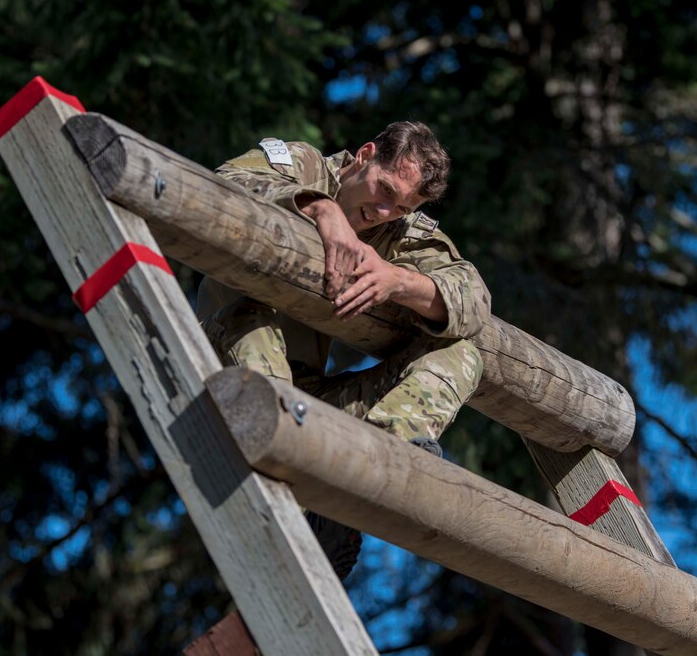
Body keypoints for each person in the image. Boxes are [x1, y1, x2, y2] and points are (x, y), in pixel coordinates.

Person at [197, 121, 491, 580]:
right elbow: (220, 185)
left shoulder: (399, 233)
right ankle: (296, 489)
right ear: (364, 155)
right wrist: (320, 209)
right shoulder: (301, 164)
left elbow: (473, 298)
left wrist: (399, 281)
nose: (383, 210)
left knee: (463, 353)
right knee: (252, 314)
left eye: (402, 206)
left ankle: (378, 465)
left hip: (306, 402)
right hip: (226, 356)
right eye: (385, 189)